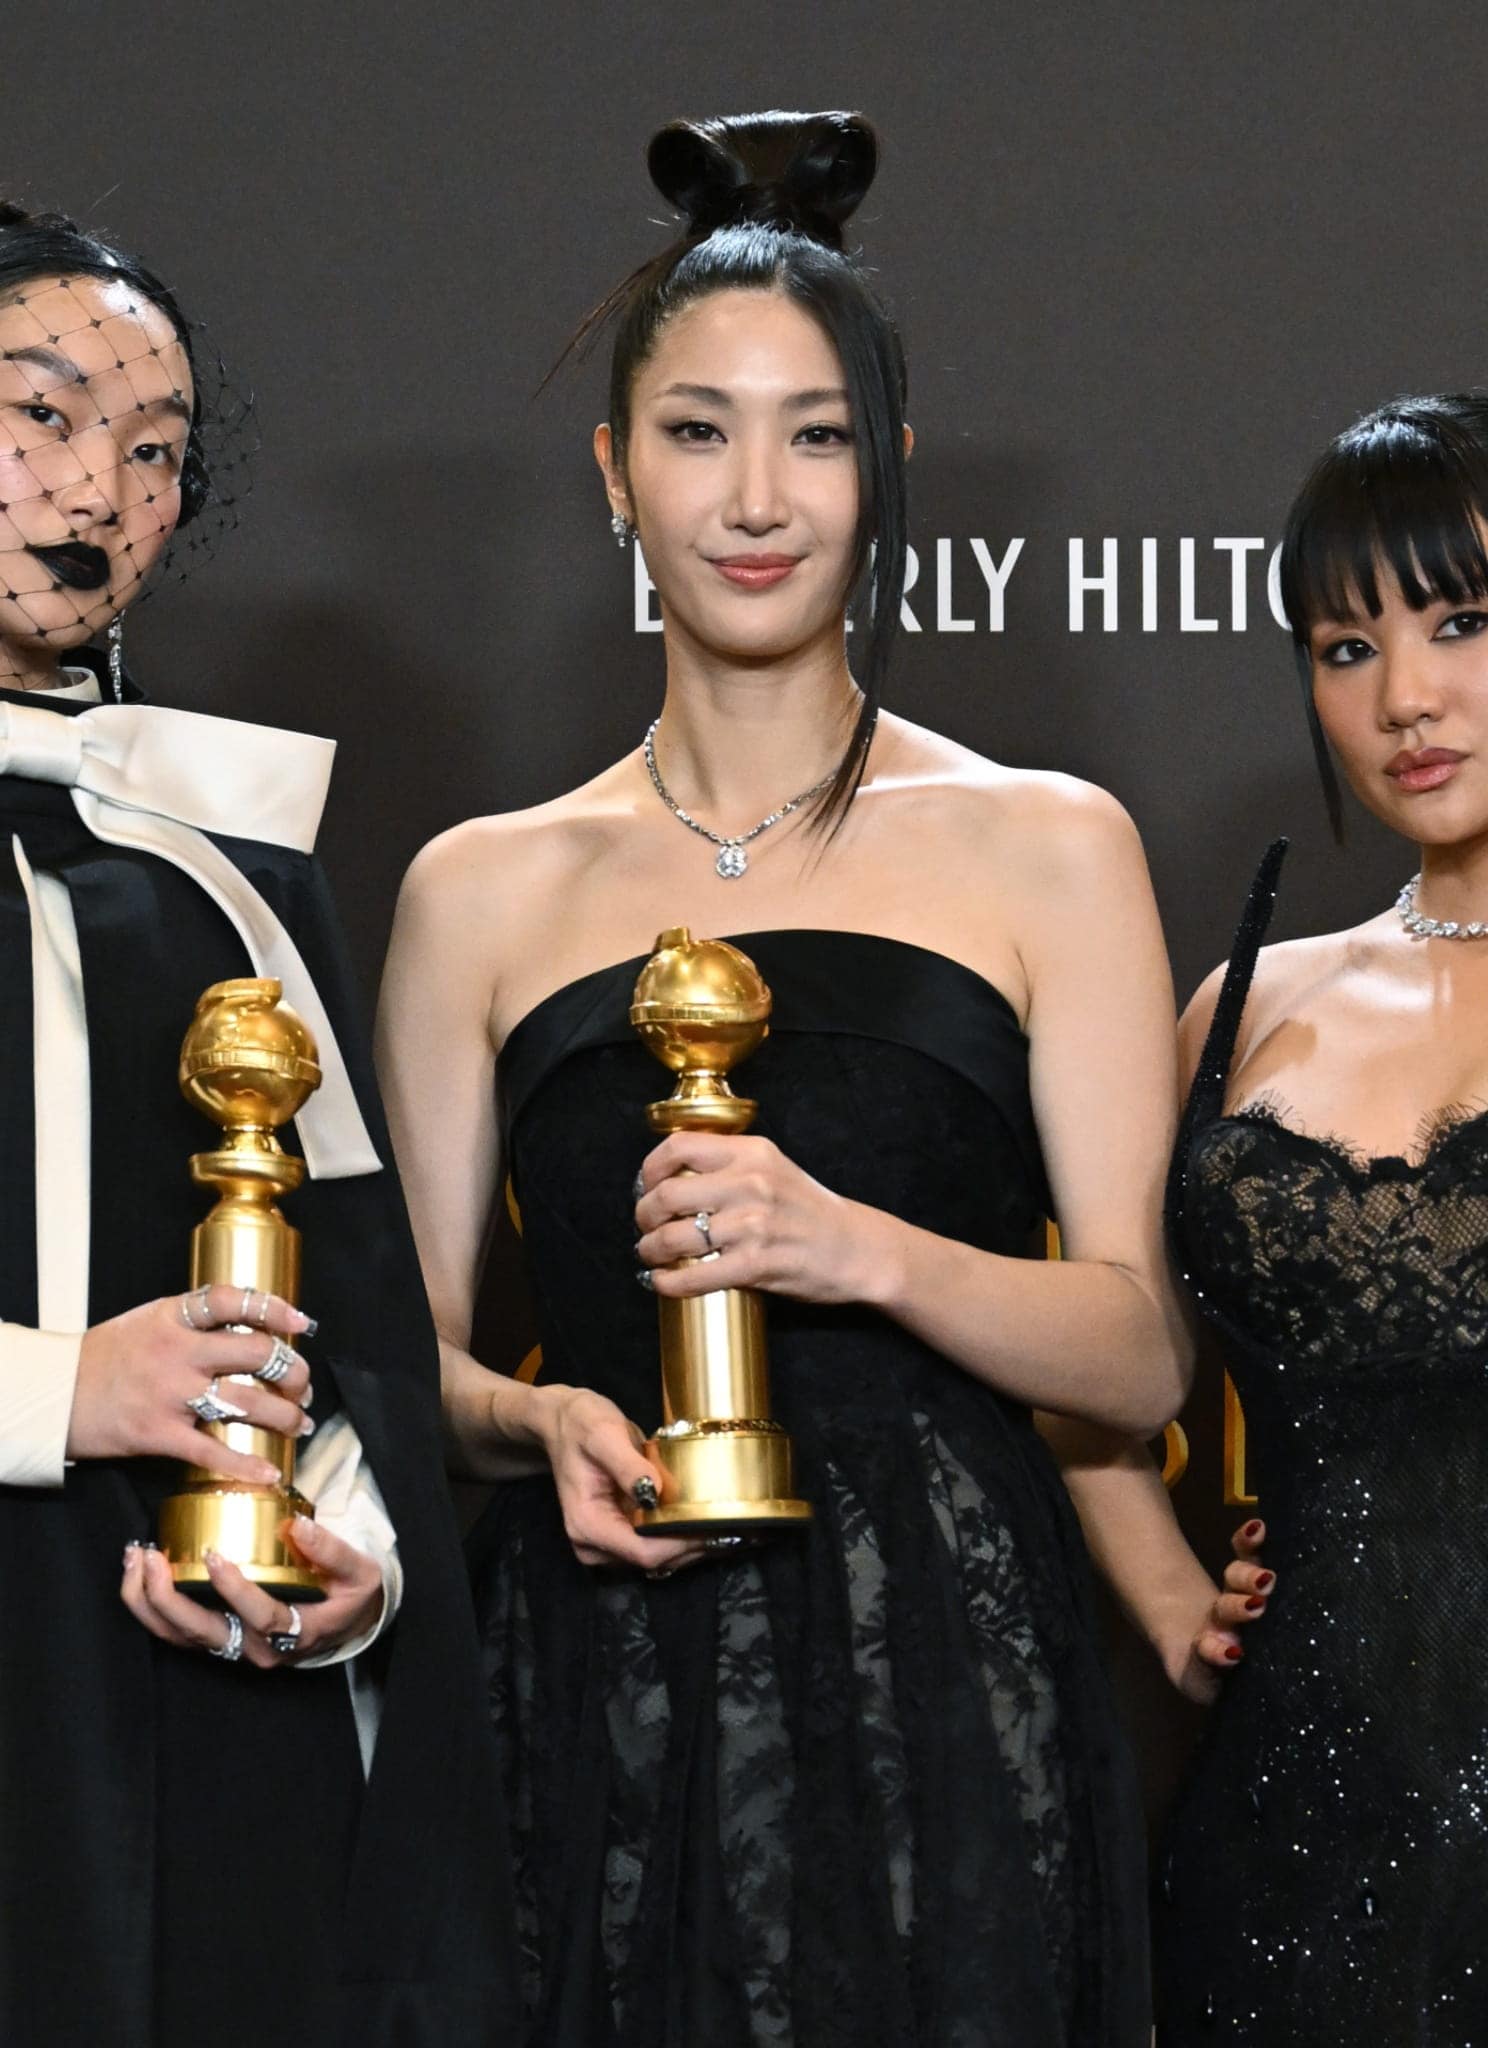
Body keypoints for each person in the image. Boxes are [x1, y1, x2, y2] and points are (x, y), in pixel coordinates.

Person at [377, 110, 1188, 2047]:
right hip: (592, 1691)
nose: (757, 493)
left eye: (816, 433)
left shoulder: (1047, 844)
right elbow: (400, 1361)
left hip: (950, 1701)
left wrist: (855, 1245)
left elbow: (1141, 1352)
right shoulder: (480, 889)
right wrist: (536, 1422)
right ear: (612, 471)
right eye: (696, 429)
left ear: (886, 470)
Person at [0, 202, 513, 2046]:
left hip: (184, 1720)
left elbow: (351, 1313)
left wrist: (341, 1557)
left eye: (152, 453)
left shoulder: (221, 875)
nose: (97, 488)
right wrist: (62, 1392)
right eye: (40, 412)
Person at [1056, 392, 1488, 2042]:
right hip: (1286, 1818)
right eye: (1345, 645)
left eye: (1461, 622)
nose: (1408, 698)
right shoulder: (1244, 1004)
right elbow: (1104, 1368)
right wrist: (1169, 1597)